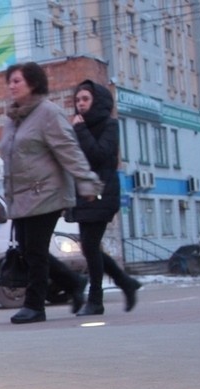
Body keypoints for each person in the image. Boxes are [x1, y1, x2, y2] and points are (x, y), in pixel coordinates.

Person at [0, 62, 103, 324]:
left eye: (17, 81)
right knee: (28, 249)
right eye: (9, 81)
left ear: (33, 83)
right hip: (22, 195)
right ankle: (73, 282)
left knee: (34, 250)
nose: (11, 86)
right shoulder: (14, 118)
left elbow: (69, 150)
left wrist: (87, 182)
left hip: (46, 192)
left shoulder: (48, 114)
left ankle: (35, 306)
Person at [67, 79, 142, 315]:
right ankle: (125, 283)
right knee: (89, 248)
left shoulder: (109, 125)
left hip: (102, 192)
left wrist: (80, 130)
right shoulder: (77, 126)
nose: (80, 104)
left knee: (90, 245)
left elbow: (100, 155)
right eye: (78, 100)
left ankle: (96, 300)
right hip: (83, 194)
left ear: (96, 100)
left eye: (85, 99)